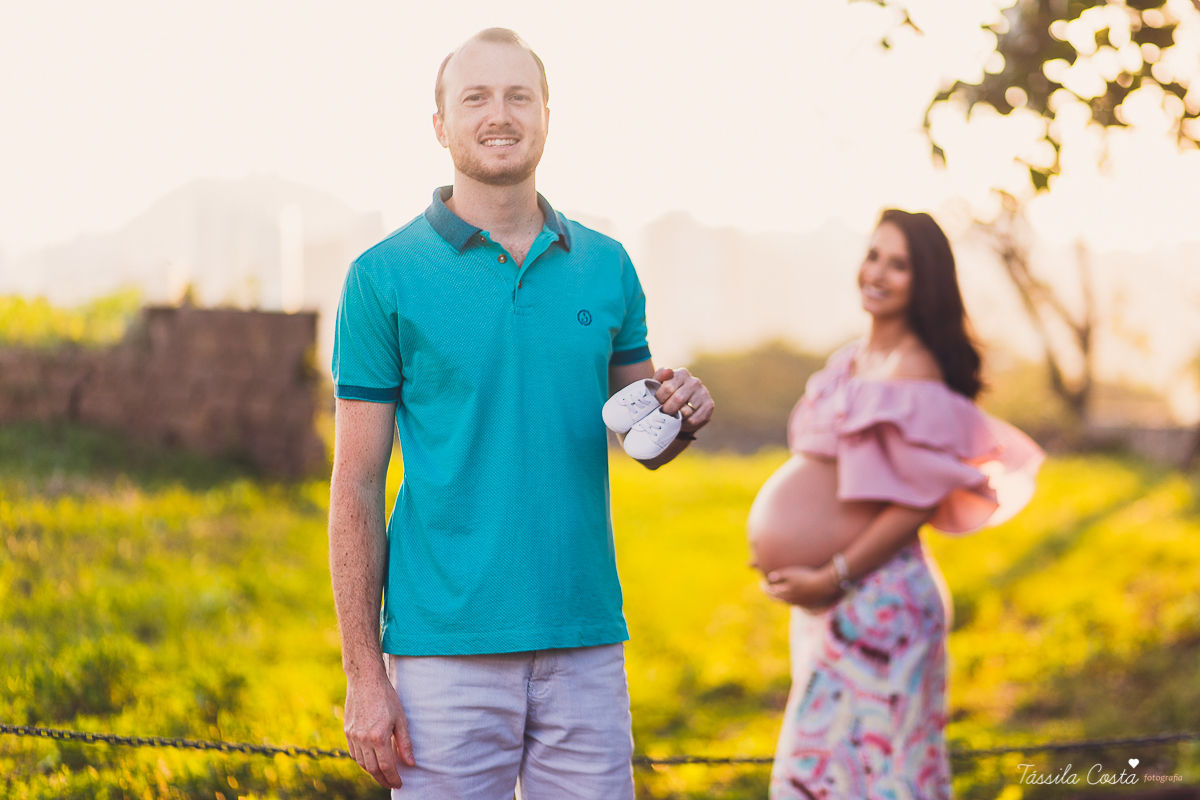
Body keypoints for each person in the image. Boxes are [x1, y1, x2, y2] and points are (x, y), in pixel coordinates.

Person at [327, 27, 713, 799]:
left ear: (546, 116)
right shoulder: (382, 278)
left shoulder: (608, 265)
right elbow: (357, 485)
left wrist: (685, 413)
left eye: (517, 96)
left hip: (586, 646)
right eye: (475, 97)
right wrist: (365, 676)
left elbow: (644, 434)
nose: (498, 114)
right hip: (443, 655)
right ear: (440, 125)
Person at [746, 210, 1043, 800]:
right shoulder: (851, 361)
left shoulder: (914, 369)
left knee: (877, 779)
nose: (878, 273)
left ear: (923, 282)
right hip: (835, 602)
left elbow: (915, 502)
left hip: (881, 603)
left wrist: (832, 575)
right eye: (874, 255)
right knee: (832, 776)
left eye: (899, 264)